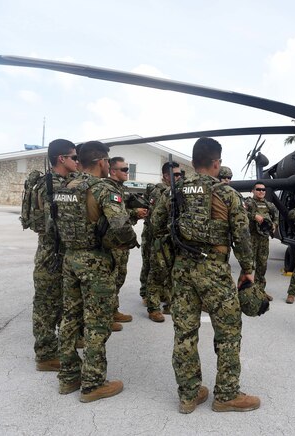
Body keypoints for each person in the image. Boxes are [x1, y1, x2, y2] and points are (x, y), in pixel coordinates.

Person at [170, 137, 260, 414]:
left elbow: (158, 230)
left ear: (193, 161)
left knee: (184, 332)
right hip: (215, 271)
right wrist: (248, 270)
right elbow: (242, 237)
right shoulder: (227, 194)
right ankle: (227, 394)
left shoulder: (174, 191)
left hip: (182, 270)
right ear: (216, 163)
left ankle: (188, 394)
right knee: (228, 332)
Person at [55, 141, 138, 402]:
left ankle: (69, 377)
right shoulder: (102, 188)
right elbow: (120, 223)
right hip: (94, 261)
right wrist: (127, 242)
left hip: (69, 259)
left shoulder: (65, 187)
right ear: (102, 161)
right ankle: (92, 383)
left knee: (70, 317)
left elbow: (51, 223)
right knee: (97, 321)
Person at [29, 139, 79, 371]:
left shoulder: (55, 182)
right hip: (51, 255)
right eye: (75, 158)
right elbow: (60, 224)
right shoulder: (54, 186)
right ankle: (46, 355)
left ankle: (62, 342)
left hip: (55, 252)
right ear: (62, 159)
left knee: (59, 301)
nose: (78, 162)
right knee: (47, 305)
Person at [107, 157, 147, 329]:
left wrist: (135, 212)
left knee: (119, 277)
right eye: (123, 169)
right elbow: (114, 217)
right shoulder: (108, 189)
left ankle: (113, 310)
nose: (127, 172)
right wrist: (134, 213)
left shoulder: (121, 189)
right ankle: (106, 316)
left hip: (122, 242)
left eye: (127, 169)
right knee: (111, 279)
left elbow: (122, 211)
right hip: (114, 241)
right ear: (113, 171)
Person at [145, 162, 183, 322]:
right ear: (166, 176)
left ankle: (169, 304)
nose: (179, 177)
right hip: (163, 238)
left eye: (180, 174)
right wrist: (161, 237)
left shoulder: (180, 191)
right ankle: (153, 308)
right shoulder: (165, 192)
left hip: (177, 240)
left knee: (174, 273)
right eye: (175, 175)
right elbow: (155, 219)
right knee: (157, 273)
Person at [244, 182, 278, 301]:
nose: (261, 191)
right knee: (248, 265)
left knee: (262, 265)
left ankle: (260, 291)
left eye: (263, 190)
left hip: (264, 238)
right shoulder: (248, 203)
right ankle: (245, 292)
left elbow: (276, 216)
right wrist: (254, 216)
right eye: (258, 189)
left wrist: (274, 224)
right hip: (251, 238)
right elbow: (241, 213)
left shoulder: (269, 205)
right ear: (253, 191)